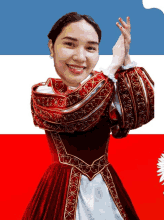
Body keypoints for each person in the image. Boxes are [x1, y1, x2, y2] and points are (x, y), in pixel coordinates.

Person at [23, 12, 154, 220]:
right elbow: (76, 112)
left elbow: (138, 115)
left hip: (105, 184)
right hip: (60, 187)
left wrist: (125, 58)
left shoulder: (103, 87)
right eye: (70, 44)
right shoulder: (45, 93)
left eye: (91, 48)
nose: (80, 57)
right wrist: (111, 68)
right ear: (51, 47)